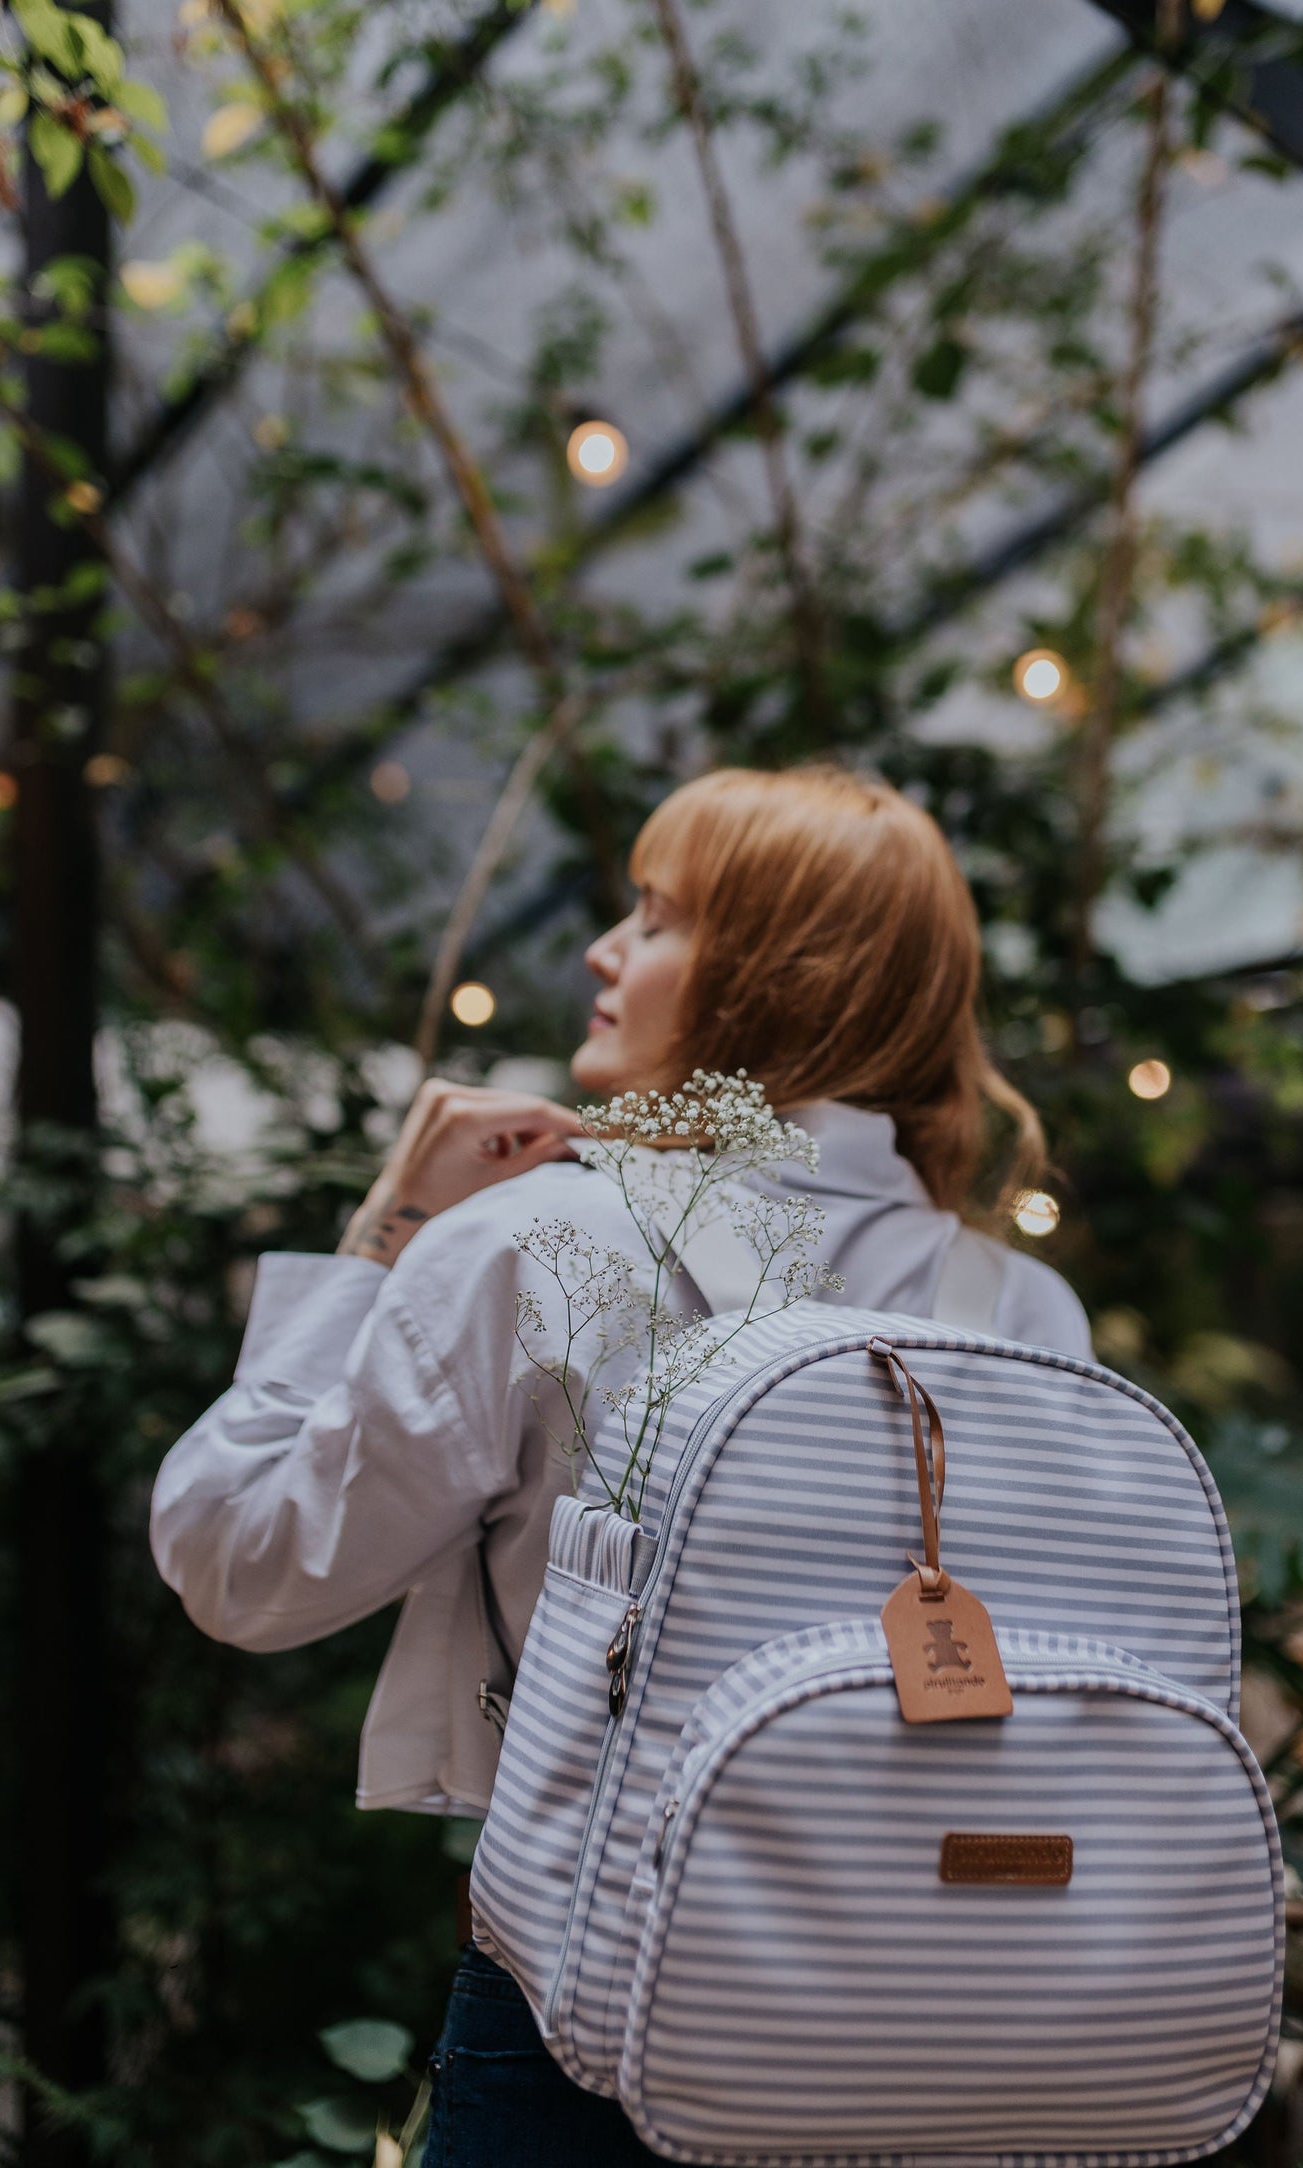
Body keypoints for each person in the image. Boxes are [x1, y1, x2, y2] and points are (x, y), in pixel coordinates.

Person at [151, 765, 1091, 2166]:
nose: (603, 950)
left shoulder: (538, 1242)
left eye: (654, 919)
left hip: (596, 2040)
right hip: (932, 2024)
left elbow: (243, 1564)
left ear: (774, 977)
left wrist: (388, 1230)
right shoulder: (1019, 1311)